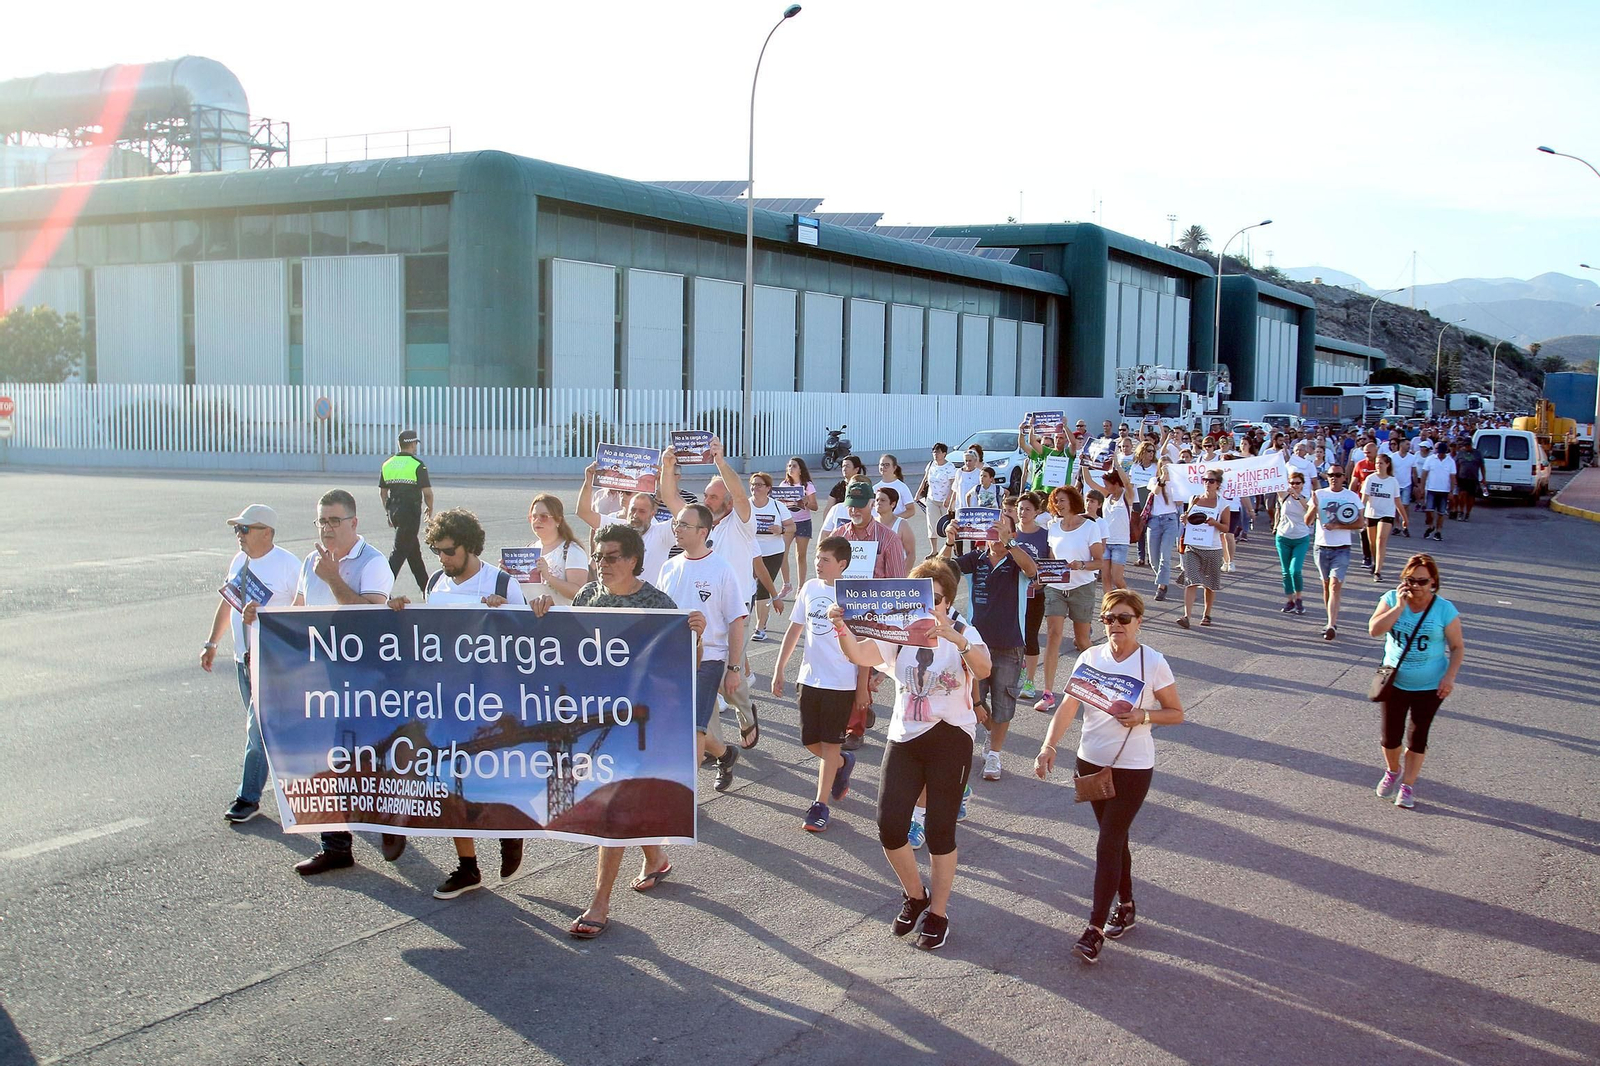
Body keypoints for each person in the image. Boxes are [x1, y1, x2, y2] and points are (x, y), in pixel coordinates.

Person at [828, 559, 992, 952]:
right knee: (889, 825)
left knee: (939, 831)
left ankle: (938, 912)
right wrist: (841, 626)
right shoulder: (902, 630)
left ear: (947, 600)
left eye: (933, 599)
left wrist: (957, 639)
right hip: (905, 735)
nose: (925, 605)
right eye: (917, 597)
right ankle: (915, 894)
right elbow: (861, 655)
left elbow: (983, 669)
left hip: (951, 735)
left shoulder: (964, 630)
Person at [530, 523, 682, 937]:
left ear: (633, 559)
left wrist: (696, 637)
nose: (601, 564)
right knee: (618, 803)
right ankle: (655, 858)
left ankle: (599, 904)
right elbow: (563, 648)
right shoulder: (588, 595)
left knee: (612, 808)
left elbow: (681, 661)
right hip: (591, 718)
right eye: (598, 556)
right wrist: (545, 613)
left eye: (611, 557)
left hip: (636, 724)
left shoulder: (657, 603)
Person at [1034, 588, 1183, 965]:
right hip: (1091, 762)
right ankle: (1127, 903)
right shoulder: (1090, 657)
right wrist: (1049, 746)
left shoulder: (1153, 663)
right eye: (1109, 618)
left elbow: (1176, 712)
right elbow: (1068, 707)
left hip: (1132, 766)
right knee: (1115, 840)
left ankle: (1095, 928)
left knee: (1108, 841)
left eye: (1124, 618)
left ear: (1139, 621)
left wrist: (1143, 716)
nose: (1116, 625)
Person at [386, 508, 528, 898]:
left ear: (469, 546)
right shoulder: (435, 582)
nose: (443, 560)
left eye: (449, 551)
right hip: (449, 698)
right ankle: (467, 867)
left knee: (491, 775)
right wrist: (403, 611)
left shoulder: (502, 581)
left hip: (492, 700)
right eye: (438, 552)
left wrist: (508, 615)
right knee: (449, 779)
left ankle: (509, 832)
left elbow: (531, 645)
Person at [289, 490, 397, 876]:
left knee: (362, 761)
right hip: (320, 680)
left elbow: (370, 619)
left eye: (334, 521)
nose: (327, 528)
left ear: (354, 523)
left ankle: (389, 821)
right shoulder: (311, 562)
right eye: (321, 521)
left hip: (361, 686)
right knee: (325, 761)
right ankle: (335, 846)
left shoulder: (373, 563)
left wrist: (334, 579)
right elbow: (299, 613)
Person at [201, 504, 301, 824]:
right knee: (272, 731)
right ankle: (309, 788)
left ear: (267, 533)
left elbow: (304, 612)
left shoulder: (288, 566)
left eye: (245, 529)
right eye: (237, 530)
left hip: (273, 663)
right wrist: (212, 643)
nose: (238, 536)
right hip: (242, 660)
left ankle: (248, 797)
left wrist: (269, 619)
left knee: (257, 731)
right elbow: (227, 601)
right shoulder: (239, 561)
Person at [661, 436, 762, 749]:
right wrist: (667, 467)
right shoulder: (697, 524)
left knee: (731, 686)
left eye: (715, 496)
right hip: (698, 629)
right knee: (707, 693)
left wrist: (720, 461)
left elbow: (742, 497)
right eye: (706, 494)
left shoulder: (741, 523)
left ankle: (746, 715)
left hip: (735, 613)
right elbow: (670, 497)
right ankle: (715, 750)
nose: (708, 499)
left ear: (728, 501)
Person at [940, 511, 1038, 782]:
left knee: (1004, 701)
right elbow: (939, 574)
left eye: (1001, 528)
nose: (995, 533)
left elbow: (1032, 571)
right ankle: (976, 742)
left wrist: (1009, 544)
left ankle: (994, 752)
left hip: (1010, 643)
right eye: (991, 529)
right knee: (972, 701)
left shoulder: (1017, 557)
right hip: (975, 645)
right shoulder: (976, 559)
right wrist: (949, 542)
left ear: (1011, 533)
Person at [656, 503, 747, 792]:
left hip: (708, 659)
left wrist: (733, 668)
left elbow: (736, 621)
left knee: (694, 728)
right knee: (678, 723)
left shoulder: (721, 569)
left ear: (703, 532)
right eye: (677, 524)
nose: (677, 529)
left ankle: (685, 800)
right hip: (671, 660)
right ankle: (725, 753)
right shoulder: (669, 568)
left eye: (684, 525)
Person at [771, 536, 859, 832]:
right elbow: (795, 630)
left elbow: (863, 646)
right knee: (811, 741)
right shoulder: (809, 588)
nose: (818, 564)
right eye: (818, 558)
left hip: (841, 681)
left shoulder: (852, 597)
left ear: (841, 565)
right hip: (809, 678)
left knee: (830, 742)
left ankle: (820, 805)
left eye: (825, 560)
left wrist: (862, 688)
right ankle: (842, 763)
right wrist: (780, 667)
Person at [1367, 554, 1465, 809]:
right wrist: (1399, 607)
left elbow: (1457, 647)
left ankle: (1407, 786)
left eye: (1422, 581)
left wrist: (1450, 677)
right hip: (1394, 681)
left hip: (1430, 685)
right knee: (1390, 737)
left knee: (1418, 736)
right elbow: (1375, 630)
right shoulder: (1391, 599)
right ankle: (1392, 770)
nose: (1416, 587)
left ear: (1433, 582)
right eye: (1410, 580)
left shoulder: (1444, 610)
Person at [832, 480, 910, 749]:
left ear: (870, 505)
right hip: (844, 610)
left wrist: (893, 620)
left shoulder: (888, 537)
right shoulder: (840, 535)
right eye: (850, 507)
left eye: (859, 507)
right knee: (844, 667)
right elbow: (830, 574)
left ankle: (855, 727)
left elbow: (898, 581)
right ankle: (861, 708)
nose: (854, 512)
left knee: (861, 667)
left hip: (875, 614)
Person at [1034, 486, 1105, 713]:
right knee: (1054, 635)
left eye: (1062, 500)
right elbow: (1053, 559)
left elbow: (1099, 561)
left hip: (1082, 586)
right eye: (1056, 502)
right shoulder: (1053, 528)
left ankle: (1097, 684)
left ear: (1073, 501)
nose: (1059, 505)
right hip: (1056, 588)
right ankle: (1048, 693)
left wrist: (1081, 565)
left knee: (1082, 640)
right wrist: (1044, 576)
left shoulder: (1090, 528)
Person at [577, 473, 675, 586]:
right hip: (616, 599)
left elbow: (681, 515)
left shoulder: (661, 534)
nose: (635, 515)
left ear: (652, 513)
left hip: (650, 601)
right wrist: (589, 480)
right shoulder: (616, 527)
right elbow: (583, 512)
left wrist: (666, 474)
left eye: (642, 511)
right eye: (633, 510)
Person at [1308, 465, 1364, 641]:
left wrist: (1338, 526)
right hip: (1321, 546)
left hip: (1342, 547)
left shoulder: (1351, 496)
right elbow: (1307, 521)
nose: (1334, 478)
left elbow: (1360, 523)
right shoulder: (1320, 494)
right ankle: (1329, 620)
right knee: (1326, 585)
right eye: (1331, 475)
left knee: (1334, 585)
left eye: (1338, 475)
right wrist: (1314, 507)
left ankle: (1331, 625)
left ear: (1344, 477)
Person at [378, 429, 435, 591]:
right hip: (410, 513)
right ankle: (381, 588)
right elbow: (427, 493)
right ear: (411, 444)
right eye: (415, 443)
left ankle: (426, 588)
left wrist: (387, 512)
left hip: (395, 511)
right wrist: (429, 508)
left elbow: (383, 493)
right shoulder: (417, 465)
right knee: (399, 552)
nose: (416, 447)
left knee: (413, 552)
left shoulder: (387, 464)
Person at [1011, 492, 1052, 700]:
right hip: (1010, 595)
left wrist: (1041, 581)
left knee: (1030, 636)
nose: (1023, 512)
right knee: (1013, 636)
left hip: (1035, 594)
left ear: (1037, 512)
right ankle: (1016, 674)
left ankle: (1029, 680)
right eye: (1020, 508)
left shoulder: (1044, 535)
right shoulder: (1010, 534)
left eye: (1028, 509)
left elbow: (1052, 565)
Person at [748, 472, 795, 641]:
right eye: (753, 484)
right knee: (747, 588)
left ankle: (760, 627)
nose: (755, 488)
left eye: (759, 485)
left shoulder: (777, 506)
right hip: (750, 553)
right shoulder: (745, 505)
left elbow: (792, 527)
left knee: (763, 589)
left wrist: (780, 530)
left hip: (773, 553)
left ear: (768, 488)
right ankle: (748, 620)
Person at [1175, 472, 1226, 629]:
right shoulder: (1194, 499)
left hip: (1213, 548)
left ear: (1218, 484)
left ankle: (1207, 614)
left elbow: (1227, 527)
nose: (1207, 483)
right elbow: (1187, 520)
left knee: (1209, 585)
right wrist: (1184, 519)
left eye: (1211, 480)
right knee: (1191, 581)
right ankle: (1186, 616)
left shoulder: (1222, 503)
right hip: (1193, 546)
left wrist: (1215, 524)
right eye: (1205, 480)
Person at [527, 493, 590, 603]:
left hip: (561, 617)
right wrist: (507, 573)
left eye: (544, 516)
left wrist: (548, 577)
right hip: (530, 616)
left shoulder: (572, 551)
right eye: (534, 517)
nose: (537, 520)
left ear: (558, 520)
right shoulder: (529, 549)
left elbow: (579, 593)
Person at [1084, 462, 1137, 591]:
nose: (1105, 487)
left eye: (1107, 484)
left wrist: (1117, 464)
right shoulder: (1107, 495)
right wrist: (1084, 464)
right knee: (1105, 578)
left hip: (1121, 543)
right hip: (1105, 542)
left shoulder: (1127, 496)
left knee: (1117, 578)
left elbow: (1128, 484)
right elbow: (1090, 482)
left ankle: (1130, 601)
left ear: (1116, 484)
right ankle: (1108, 606)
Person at [1361, 453, 1407, 582]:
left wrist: (1404, 518)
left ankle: (1378, 571)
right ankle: (1375, 561)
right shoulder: (1370, 479)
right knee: (1373, 543)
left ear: (1387, 464)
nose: (1378, 466)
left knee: (1381, 540)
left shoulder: (1393, 481)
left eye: (1381, 463)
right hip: (1371, 513)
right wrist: (1359, 515)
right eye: (1376, 463)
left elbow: (1397, 501)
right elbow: (1363, 499)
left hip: (1387, 514)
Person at [1274, 470, 1313, 615]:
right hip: (1283, 537)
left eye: (1297, 483)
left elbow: (1309, 509)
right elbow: (1273, 482)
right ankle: (1289, 600)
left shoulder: (1307, 497)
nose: (1294, 486)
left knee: (1295, 570)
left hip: (1300, 538)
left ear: (1302, 484)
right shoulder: (1284, 495)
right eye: (1292, 483)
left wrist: (1297, 496)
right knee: (1285, 572)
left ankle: (1299, 599)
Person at [779, 456, 819, 597]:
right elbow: (779, 504)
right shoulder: (784, 485)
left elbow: (815, 506)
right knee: (782, 553)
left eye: (794, 466)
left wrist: (805, 502)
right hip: (788, 522)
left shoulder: (807, 485)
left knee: (800, 555)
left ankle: (801, 587)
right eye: (789, 466)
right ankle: (786, 584)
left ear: (800, 470)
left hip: (803, 522)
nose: (791, 468)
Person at [1144, 463, 1181, 601]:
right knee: (1153, 559)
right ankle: (1163, 579)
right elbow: (1156, 491)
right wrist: (1163, 478)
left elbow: (1179, 502)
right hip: (1154, 521)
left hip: (1170, 520)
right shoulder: (1154, 480)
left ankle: (1161, 586)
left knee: (1165, 556)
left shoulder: (1176, 483)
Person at [917, 443, 960, 556]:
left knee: (948, 525)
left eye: (938, 452)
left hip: (945, 501)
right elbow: (925, 479)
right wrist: (918, 493)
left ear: (944, 454)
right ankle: (934, 550)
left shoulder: (949, 467)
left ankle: (952, 548)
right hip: (932, 498)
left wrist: (949, 498)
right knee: (931, 524)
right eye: (934, 452)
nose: (936, 454)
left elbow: (953, 484)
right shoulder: (931, 464)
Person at [874, 487, 920, 572]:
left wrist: (903, 575)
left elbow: (911, 553)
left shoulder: (902, 524)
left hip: (895, 572)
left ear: (893, 504)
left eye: (883, 500)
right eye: (877, 500)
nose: (878, 503)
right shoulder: (871, 524)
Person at [1419, 441, 1455, 542]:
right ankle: (1431, 526)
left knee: (1441, 513)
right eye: (1439, 452)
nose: (1440, 454)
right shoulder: (1430, 459)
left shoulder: (1450, 461)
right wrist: (1422, 488)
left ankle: (1438, 531)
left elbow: (1452, 477)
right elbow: (1424, 474)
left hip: (1444, 491)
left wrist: (1451, 491)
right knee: (1429, 511)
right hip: (1431, 489)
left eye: (1442, 452)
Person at [1388, 436, 1419, 537]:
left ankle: (1405, 525)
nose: (1409, 446)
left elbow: (1414, 472)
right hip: (1395, 484)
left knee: (1405, 506)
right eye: (1407, 444)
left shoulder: (1412, 457)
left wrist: (1416, 484)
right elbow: (1389, 471)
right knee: (1396, 507)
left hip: (1407, 484)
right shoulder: (1392, 457)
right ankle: (1397, 526)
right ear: (1401, 445)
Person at [875, 454, 917, 521]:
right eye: (882, 464)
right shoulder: (875, 488)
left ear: (894, 467)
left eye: (887, 465)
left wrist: (893, 519)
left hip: (897, 527)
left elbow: (911, 510)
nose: (883, 467)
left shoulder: (902, 487)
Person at [1452, 438, 1484, 521]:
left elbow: (1482, 466)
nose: (1466, 447)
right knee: (1462, 494)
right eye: (1465, 445)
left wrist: (1484, 478)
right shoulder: (1460, 453)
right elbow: (1456, 466)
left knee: (1471, 497)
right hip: (1462, 478)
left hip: (1473, 478)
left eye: (1468, 445)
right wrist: (1455, 478)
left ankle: (1467, 513)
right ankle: (1461, 511)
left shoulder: (1477, 453)